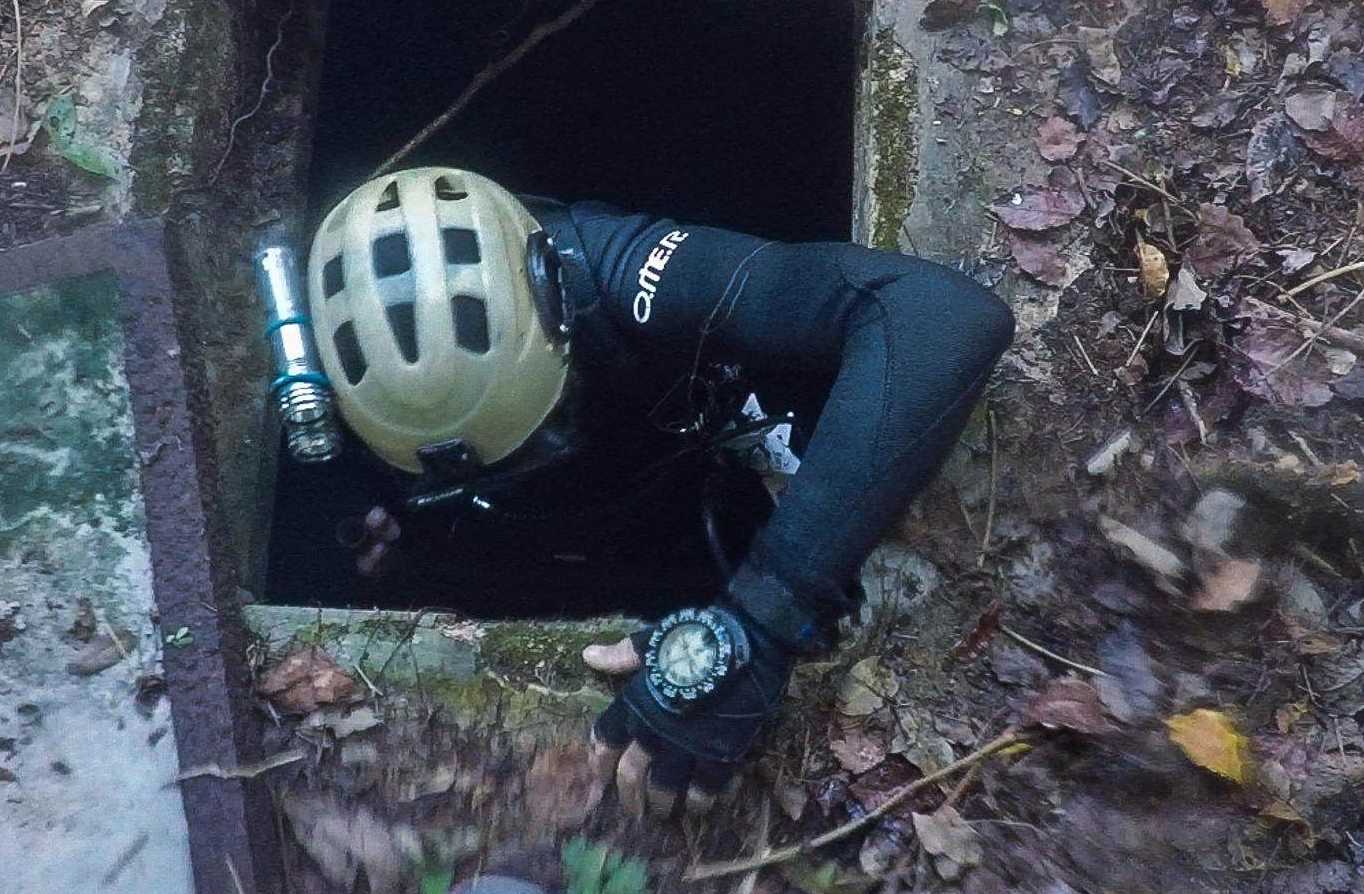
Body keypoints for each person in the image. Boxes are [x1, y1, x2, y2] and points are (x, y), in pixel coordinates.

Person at [305, 167, 1014, 817]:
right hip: (590, 535)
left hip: (691, 479)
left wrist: (762, 617)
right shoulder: (325, 390)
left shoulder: (614, 269)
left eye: (545, 432)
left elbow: (936, 317)